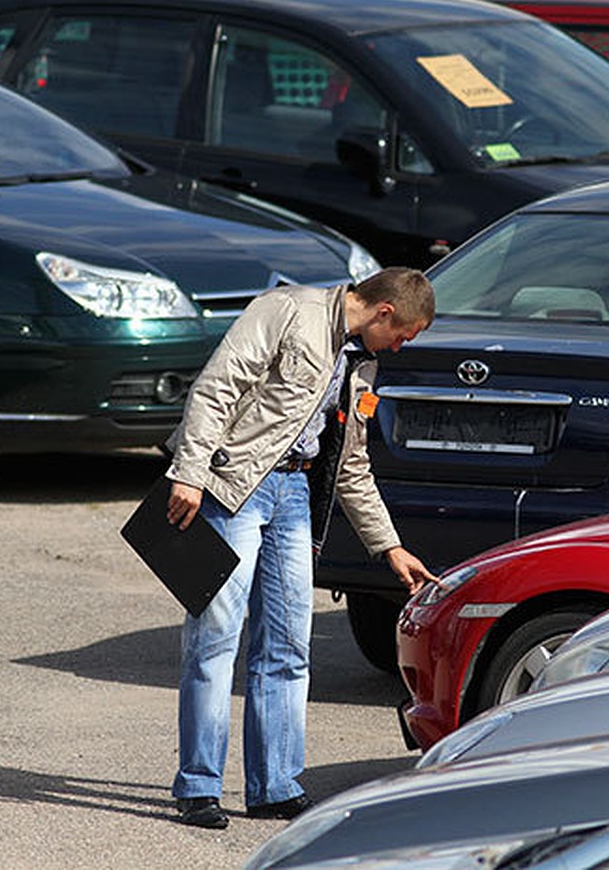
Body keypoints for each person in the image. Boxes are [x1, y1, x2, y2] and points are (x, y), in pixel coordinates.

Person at [163, 267, 439, 829]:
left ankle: (275, 786)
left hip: (294, 492)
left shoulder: (360, 362)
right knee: (215, 638)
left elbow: (352, 465)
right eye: (405, 334)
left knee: (289, 646)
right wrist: (189, 473)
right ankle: (198, 787)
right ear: (384, 312)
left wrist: (389, 546)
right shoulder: (287, 311)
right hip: (232, 489)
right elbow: (216, 388)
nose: (403, 345)